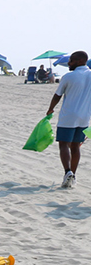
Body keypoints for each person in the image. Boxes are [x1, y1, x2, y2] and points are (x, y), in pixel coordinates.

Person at [45, 50, 91, 189]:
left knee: (64, 144)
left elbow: (57, 95)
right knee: (76, 146)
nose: (69, 63)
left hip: (68, 116)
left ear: (79, 61)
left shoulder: (68, 76)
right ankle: (72, 176)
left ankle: (67, 172)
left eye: (71, 60)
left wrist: (50, 108)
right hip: (84, 117)